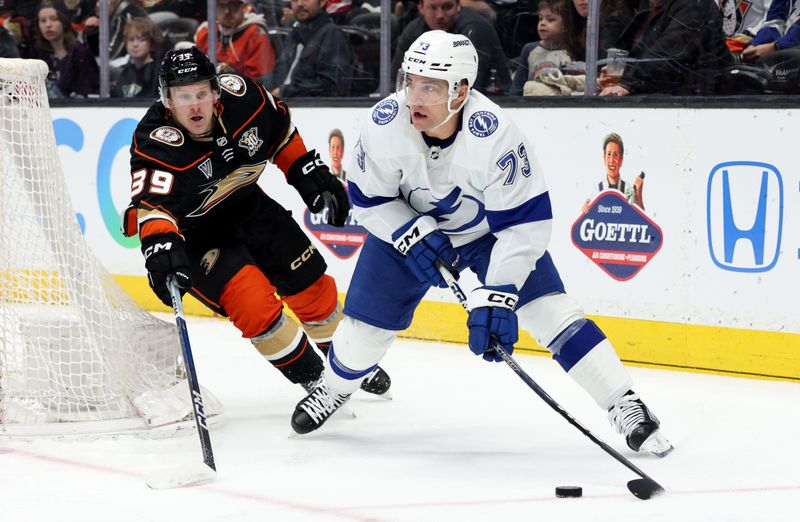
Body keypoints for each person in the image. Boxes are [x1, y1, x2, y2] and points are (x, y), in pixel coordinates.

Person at [290, 31, 673, 459]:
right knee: (364, 331)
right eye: (410, 81)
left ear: (462, 91)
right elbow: (368, 200)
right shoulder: (383, 124)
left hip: (487, 235)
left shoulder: (495, 136)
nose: (414, 96)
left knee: (552, 313)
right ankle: (334, 388)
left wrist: (500, 292)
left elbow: (525, 225)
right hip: (405, 232)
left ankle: (624, 403)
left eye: (430, 87)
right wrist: (410, 232)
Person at [124, 46, 390, 401]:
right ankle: (317, 381)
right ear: (167, 100)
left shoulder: (243, 97)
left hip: (249, 207)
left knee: (311, 286)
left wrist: (309, 176)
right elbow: (153, 208)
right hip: (196, 234)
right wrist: (162, 249)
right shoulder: (155, 142)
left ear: (216, 90)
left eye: (202, 93)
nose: (195, 105)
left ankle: (347, 361)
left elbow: (280, 133)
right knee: (253, 303)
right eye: (183, 97)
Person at [599, 0, 733, 96]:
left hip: (699, 106)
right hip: (664, 102)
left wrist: (627, 82)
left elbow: (666, 54)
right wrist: (621, 73)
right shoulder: (644, 9)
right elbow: (641, 56)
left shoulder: (693, 5)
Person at [391, 0, 510, 93]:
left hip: (490, 100)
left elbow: (470, 87)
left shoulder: (475, 29)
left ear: (458, 5)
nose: (440, 15)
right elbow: (394, 80)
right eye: (433, 8)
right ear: (421, 7)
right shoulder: (413, 30)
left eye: (447, 7)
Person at [269, 0, 354, 97]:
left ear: (322, 2)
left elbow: (332, 86)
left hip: (310, 107)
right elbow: (276, 76)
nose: (300, 4)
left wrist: (284, 92)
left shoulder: (332, 34)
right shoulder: (295, 34)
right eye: (295, 0)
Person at [30, 0, 98, 98]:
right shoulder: (37, 55)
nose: (48, 25)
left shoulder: (80, 53)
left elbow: (88, 90)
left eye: (53, 19)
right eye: (43, 21)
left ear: (64, 21)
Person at [194, 0, 275, 81]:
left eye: (233, 5)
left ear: (244, 7)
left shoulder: (256, 36)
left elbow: (256, 81)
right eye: (221, 6)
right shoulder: (206, 32)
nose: (227, 11)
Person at [522, 0, 585, 96]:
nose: (542, 23)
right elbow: (518, 88)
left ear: (565, 25)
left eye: (550, 20)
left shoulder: (575, 51)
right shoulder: (529, 49)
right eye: (540, 18)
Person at [581, 133, 644, 214]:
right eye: (609, 154)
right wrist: (585, 210)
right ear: (604, 159)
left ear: (621, 161)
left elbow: (641, 222)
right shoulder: (597, 191)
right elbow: (587, 217)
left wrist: (638, 196)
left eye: (615, 155)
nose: (611, 160)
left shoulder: (628, 190)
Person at [111, 16, 163, 98]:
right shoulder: (125, 73)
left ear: (152, 43)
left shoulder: (158, 73)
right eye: (131, 40)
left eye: (141, 39)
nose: (135, 44)